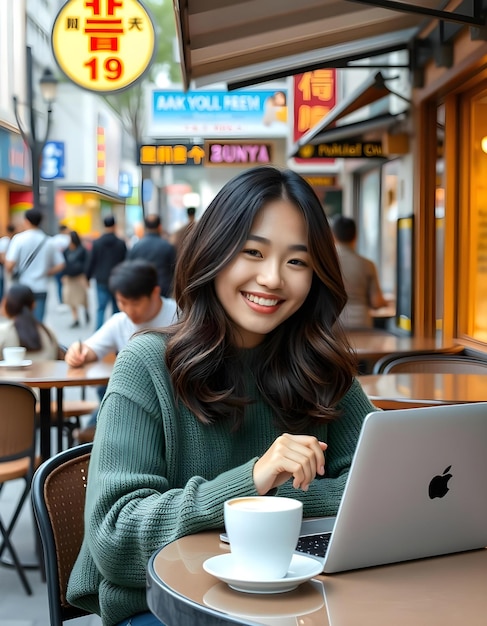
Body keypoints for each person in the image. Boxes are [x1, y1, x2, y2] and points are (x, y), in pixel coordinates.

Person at [67, 166, 377, 626]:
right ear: (213, 251)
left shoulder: (321, 367)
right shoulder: (148, 365)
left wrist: (269, 503)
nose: (272, 279)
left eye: (297, 261)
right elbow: (116, 537)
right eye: (252, 252)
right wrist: (253, 480)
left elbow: (377, 490)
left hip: (300, 603)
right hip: (163, 609)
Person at [64, 259, 178, 442]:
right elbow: (90, 350)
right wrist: (76, 353)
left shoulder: (181, 316)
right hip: (132, 404)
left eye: (135, 302)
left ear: (155, 292)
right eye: (122, 302)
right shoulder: (120, 322)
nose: (129, 310)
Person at [5, 209, 65, 322]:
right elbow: (61, 264)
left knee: (20, 321)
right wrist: (46, 272)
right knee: (38, 323)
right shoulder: (49, 241)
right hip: (41, 286)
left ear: (26, 221)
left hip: (21, 287)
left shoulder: (19, 239)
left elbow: (9, 265)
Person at [331, 215, 389, 329]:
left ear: (333, 236)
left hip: (334, 323)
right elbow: (376, 302)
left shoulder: (327, 263)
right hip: (362, 324)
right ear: (355, 236)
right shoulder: (367, 265)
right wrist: (387, 303)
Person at [85, 215, 126, 329]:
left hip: (101, 280)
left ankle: (98, 333)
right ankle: (116, 332)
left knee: (101, 308)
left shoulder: (97, 243)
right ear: (115, 225)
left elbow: (91, 261)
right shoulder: (120, 243)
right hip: (117, 279)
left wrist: (87, 277)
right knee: (116, 309)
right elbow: (125, 261)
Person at [0, 284, 59, 361]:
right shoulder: (48, 332)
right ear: (33, 305)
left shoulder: (4, 332)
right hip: (48, 372)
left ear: (6, 304)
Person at [127, 214, 176, 297]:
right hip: (163, 288)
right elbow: (175, 268)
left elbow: (129, 267)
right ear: (160, 227)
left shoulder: (136, 246)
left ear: (145, 228)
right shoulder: (167, 246)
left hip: (142, 287)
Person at [62, 230, 90, 328]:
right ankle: (76, 318)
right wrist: (63, 275)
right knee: (70, 299)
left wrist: (87, 277)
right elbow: (63, 264)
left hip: (80, 277)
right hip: (69, 277)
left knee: (82, 298)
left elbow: (87, 263)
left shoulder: (82, 250)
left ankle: (86, 311)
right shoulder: (66, 251)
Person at [51, 222, 71, 304]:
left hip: (57, 265)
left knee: (59, 284)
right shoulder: (68, 239)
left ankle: (61, 301)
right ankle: (67, 300)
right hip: (67, 265)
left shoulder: (54, 239)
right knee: (67, 283)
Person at [0, 223, 16, 301]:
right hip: (7, 265)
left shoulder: (6, 240)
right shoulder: (8, 240)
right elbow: (2, 256)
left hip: (8, 265)